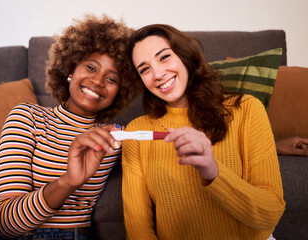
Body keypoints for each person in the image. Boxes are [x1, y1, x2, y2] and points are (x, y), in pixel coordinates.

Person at [121, 24, 286, 240]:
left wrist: (213, 172)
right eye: (145, 69)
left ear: (185, 55)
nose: (158, 74)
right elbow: (138, 228)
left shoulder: (247, 109)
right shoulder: (136, 131)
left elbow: (270, 215)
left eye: (164, 57)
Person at [0, 15, 139, 240]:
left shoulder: (115, 137)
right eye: (90, 67)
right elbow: (5, 225)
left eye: (112, 79)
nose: (98, 81)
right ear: (70, 70)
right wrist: (68, 182)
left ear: (119, 93)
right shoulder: (27, 117)